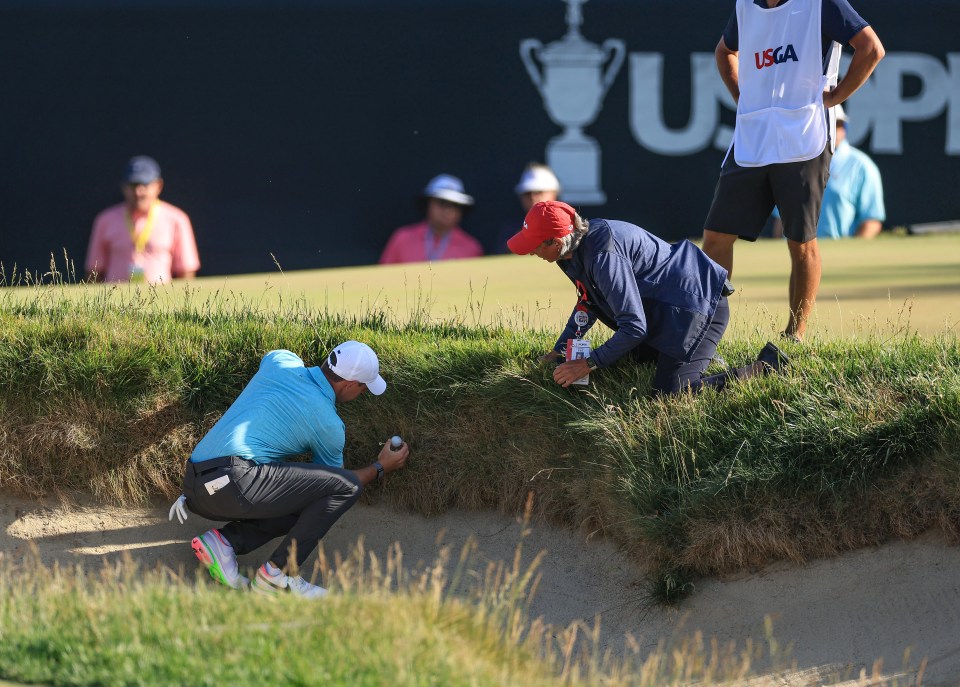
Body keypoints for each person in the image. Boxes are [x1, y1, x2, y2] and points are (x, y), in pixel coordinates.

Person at [701, 0, 884, 341]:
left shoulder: (821, 3)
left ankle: (794, 336)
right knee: (715, 237)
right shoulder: (746, 5)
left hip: (805, 136)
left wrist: (836, 96)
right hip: (753, 137)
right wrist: (745, 99)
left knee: (801, 242)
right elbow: (725, 51)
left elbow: (871, 48)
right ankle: (705, 330)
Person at [168, 341, 410, 598]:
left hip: (195, 486)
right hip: (234, 483)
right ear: (349, 385)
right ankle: (276, 575)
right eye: (363, 388)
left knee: (306, 498)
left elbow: (273, 357)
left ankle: (224, 542)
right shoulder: (328, 424)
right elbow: (336, 484)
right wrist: (380, 467)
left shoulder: (280, 361)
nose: (361, 394)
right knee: (341, 490)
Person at [507, 201, 788, 396]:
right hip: (667, 310)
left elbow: (634, 327)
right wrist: (560, 350)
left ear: (555, 242)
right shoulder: (569, 251)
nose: (532, 252)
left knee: (671, 395)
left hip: (698, 307)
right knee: (630, 358)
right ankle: (704, 357)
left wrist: (587, 363)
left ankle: (766, 368)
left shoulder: (603, 256)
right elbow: (587, 302)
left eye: (534, 247)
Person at [772, 105, 885, 239]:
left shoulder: (862, 166)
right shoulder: (791, 162)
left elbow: (871, 221)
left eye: (836, 124)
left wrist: (850, 256)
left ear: (843, 128)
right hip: (795, 255)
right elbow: (782, 219)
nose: (828, 129)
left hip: (839, 255)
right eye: (822, 123)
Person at [85, 155, 200, 284]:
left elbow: (186, 271)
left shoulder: (177, 219)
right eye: (133, 185)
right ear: (124, 187)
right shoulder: (105, 220)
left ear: (158, 185)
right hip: (115, 301)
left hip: (161, 300)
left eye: (145, 184)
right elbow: (94, 272)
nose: (139, 192)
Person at [379, 174, 484, 264]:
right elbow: (382, 278)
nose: (448, 210)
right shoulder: (402, 238)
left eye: (456, 205)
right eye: (442, 203)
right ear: (428, 204)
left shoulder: (471, 248)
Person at [493, 162, 562, 254]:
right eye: (527, 194)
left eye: (539, 192)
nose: (533, 197)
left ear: (554, 193)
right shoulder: (510, 231)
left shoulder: (572, 225)